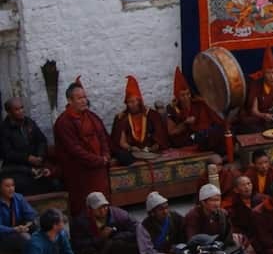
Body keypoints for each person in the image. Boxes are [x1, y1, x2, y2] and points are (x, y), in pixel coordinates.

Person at [53, 77, 114, 215]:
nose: (84, 101)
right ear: (70, 100)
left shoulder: (91, 116)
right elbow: (74, 150)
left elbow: (102, 137)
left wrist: (105, 155)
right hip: (80, 171)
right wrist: (97, 160)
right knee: (85, 207)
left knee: (103, 203)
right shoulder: (63, 123)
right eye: (79, 98)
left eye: (85, 97)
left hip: (99, 167)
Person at [1, 97, 58, 194]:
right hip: (16, 169)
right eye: (17, 109)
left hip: (36, 165)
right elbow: (8, 154)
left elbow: (41, 141)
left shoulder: (29, 123)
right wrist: (27, 158)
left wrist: (40, 156)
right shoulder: (4, 129)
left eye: (22, 108)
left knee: (55, 183)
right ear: (9, 112)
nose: (21, 111)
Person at [71, 191, 139, 254]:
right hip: (95, 253)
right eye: (98, 208)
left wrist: (116, 236)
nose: (103, 211)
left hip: (116, 247)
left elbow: (137, 228)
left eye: (105, 206)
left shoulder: (118, 214)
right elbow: (77, 245)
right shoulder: (80, 222)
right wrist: (99, 238)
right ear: (89, 209)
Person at [166, 67, 225, 151]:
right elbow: (171, 132)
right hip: (185, 139)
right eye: (183, 95)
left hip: (202, 134)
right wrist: (185, 123)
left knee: (218, 131)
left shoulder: (198, 103)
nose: (186, 97)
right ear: (177, 96)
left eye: (188, 94)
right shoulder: (172, 108)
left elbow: (214, 120)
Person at [110, 75, 169, 156]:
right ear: (126, 103)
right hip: (131, 152)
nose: (133, 104)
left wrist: (153, 147)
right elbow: (121, 141)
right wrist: (130, 148)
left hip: (151, 151)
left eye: (135, 101)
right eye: (130, 102)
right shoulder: (122, 118)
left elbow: (160, 136)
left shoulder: (152, 114)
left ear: (140, 101)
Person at [0, 174, 37, 254]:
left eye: (13, 185)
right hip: (4, 235)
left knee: (39, 230)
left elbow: (31, 214)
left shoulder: (18, 197)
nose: (11, 189)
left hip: (19, 230)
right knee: (25, 237)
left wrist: (26, 226)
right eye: (7, 186)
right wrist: (14, 229)